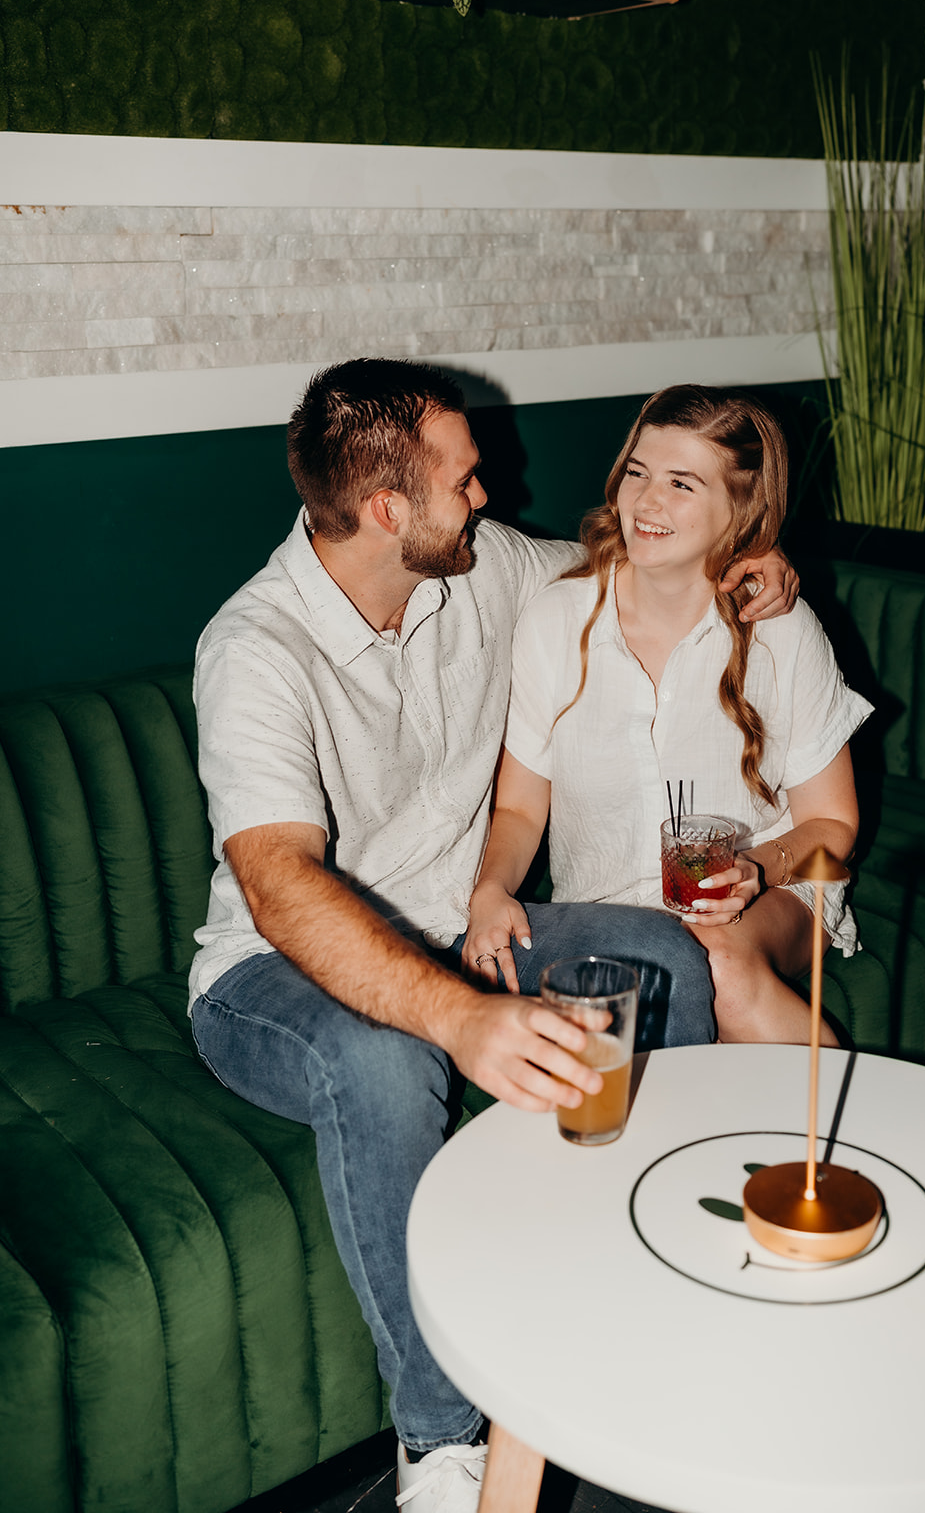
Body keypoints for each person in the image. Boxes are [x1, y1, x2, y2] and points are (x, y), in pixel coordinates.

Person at [187, 360, 799, 1512]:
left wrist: (749, 571)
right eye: (463, 482)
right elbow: (276, 886)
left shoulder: (478, 569)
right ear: (386, 511)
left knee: (659, 958)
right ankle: (442, 1441)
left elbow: (628, 568)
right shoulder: (255, 649)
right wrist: (459, 1015)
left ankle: (637, 1284)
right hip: (275, 974)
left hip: (462, 926)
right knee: (386, 1056)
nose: (485, 496)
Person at [465, 384, 874, 1048]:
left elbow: (833, 824)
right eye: (636, 473)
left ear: (742, 507)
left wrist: (756, 869)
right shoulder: (554, 621)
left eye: (682, 484)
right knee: (684, 954)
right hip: (606, 914)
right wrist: (489, 891)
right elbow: (518, 810)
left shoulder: (780, 627)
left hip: (776, 891)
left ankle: (846, 1140)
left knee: (714, 958)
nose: (647, 502)